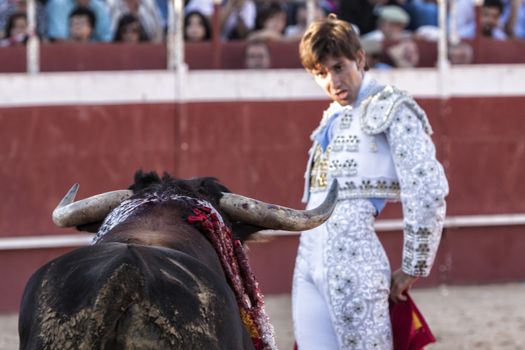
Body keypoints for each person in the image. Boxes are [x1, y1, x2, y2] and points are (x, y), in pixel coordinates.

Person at [292, 14, 448, 349]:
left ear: (360, 59)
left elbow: (429, 189)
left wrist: (412, 267)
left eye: (338, 67)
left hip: (355, 264)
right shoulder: (332, 117)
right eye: (320, 74)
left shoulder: (393, 107)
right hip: (306, 262)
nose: (332, 82)